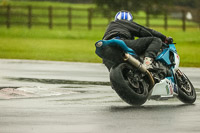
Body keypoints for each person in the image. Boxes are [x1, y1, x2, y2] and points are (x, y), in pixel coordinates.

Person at [99, 10, 172, 71]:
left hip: (106, 49)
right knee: (156, 40)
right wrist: (164, 38)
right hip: (122, 42)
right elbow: (143, 31)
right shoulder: (126, 23)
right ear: (130, 21)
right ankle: (147, 63)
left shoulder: (110, 26)